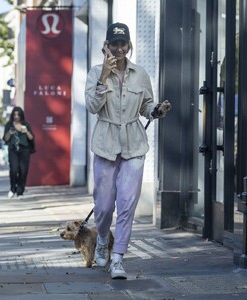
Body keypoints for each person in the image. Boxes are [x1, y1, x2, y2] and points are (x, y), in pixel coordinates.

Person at [85, 22, 171, 279]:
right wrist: (103, 76)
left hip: (134, 144)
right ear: (106, 46)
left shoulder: (141, 74)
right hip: (105, 144)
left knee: (127, 202)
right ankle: (102, 238)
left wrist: (157, 109)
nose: (119, 48)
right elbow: (91, 106)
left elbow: (146, 106)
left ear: (129, 45)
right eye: (114, 44)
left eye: (123, 43)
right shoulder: (94, 73)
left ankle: (119, 257)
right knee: (103, 206)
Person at [3, 106, 34, 198]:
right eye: (15, 114)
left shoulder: (26, 125)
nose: (16, 116)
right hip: (13, 149)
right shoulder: (9, 125)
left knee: (23, 170)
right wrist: (9, 133)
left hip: (24, 150)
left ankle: (20, 190)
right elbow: (5, 139)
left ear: (21, 116)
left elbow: (31, 138)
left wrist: (26, 132)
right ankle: (13, 188)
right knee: (14, 169)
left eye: (18, 114)